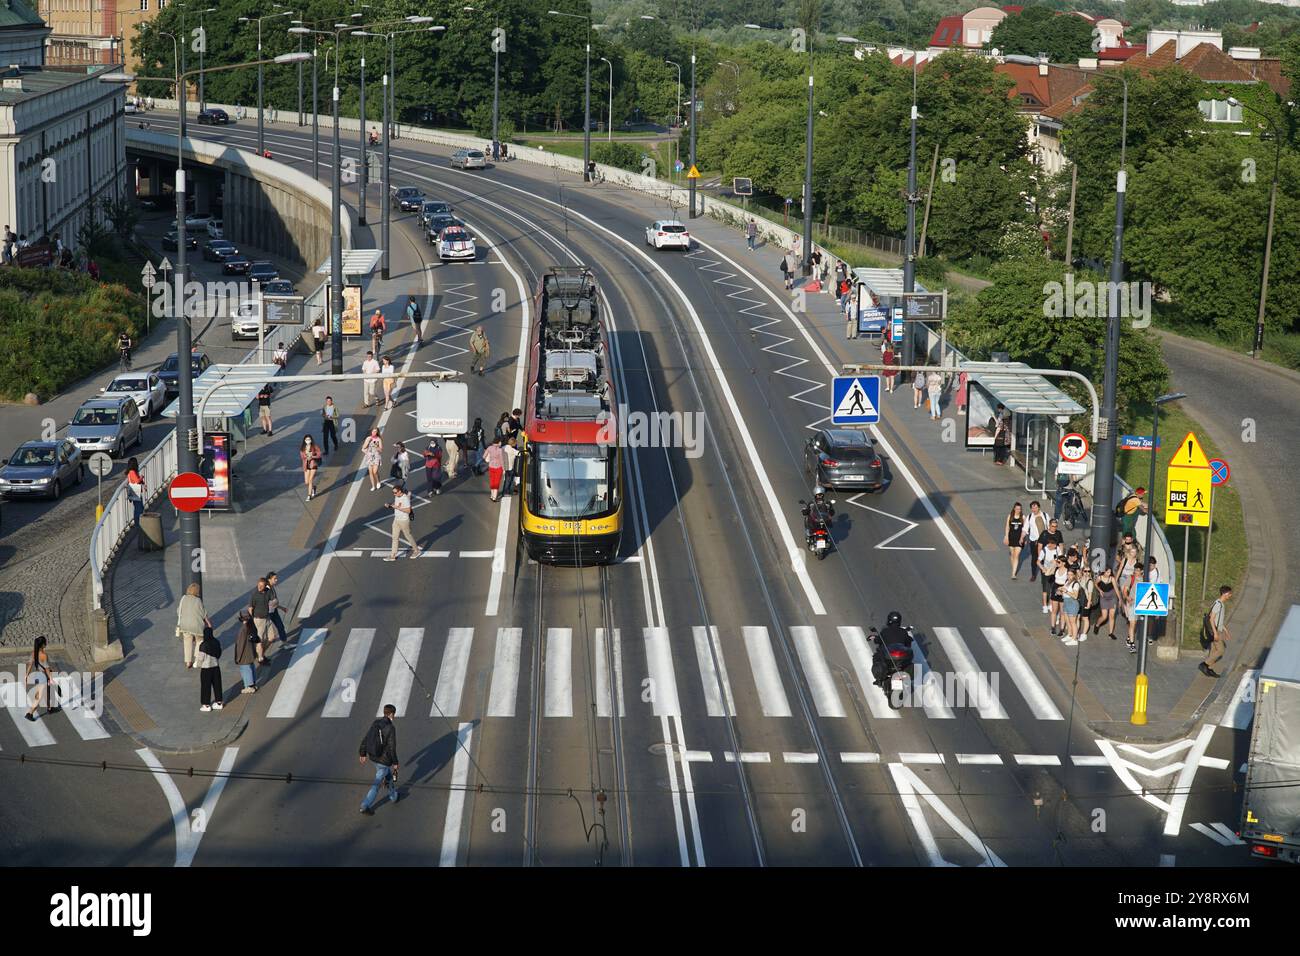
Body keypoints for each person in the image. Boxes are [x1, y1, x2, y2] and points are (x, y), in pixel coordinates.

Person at [359, 704, 401, 815]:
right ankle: (365, 805)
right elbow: (392, 748)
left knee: (388, 776)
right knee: (376, 784)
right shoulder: (391, 728)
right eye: (394, 714)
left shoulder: (376, 723)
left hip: (373, 757)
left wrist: (362, 753)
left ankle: (393, 796)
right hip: (384, 761)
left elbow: (367, 738)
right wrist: (395, 762)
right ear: (391, 714)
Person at [176, 582, 211, 670]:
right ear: (197, 591)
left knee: (187, 642)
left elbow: (178, 611)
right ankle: (196, 659)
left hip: (185, 625)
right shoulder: (198, 600)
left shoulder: (183, 598)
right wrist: (209, 624)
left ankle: (188, 662)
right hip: (196, 625)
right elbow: (203, 613)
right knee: (199, 640)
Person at [1200, 585, 1233, 679]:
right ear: (1225, 593)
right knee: (1221, 650)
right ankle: (1204, 665)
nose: (1230, 595)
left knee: (1214, 651)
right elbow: (1211, 619)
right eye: (1229, 594)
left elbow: (1219, 620)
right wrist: (1215, 633)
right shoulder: (1218, 604)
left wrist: (1226, 631)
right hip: (1216, 631)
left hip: (1218, 630)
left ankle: (1209, 669)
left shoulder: (1220, 604)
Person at [384, 482, 422, 561]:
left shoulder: (405, 498)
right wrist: (390, 506)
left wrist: (398, 508)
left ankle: (417, 551)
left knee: (408, 536)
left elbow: (408, 510)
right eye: (393, 492)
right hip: (396, 520)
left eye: (395, 492)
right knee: (395, 537)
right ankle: (393, 555)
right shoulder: (397, 497)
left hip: (404, 521)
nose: (394, 494)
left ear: (400, 492)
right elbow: (397, 505)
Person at [23, 636, 56, 722]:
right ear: (42, 645)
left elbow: (30, 665)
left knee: (44, 692)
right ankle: (29, 713)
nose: (46, 644)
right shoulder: (44, 655)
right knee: (39, 697)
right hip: (43, 676)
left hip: (37, 675)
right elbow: (47, 668)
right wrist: (51, 678)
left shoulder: (34, 653)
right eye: (45, 642)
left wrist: (26, 675)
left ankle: (49, 708)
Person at [195, 623, 223, 712]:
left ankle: (206, 704)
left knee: (205, 686)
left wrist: (198, 665)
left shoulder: (203, 645)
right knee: (217, 685)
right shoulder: (216, 642)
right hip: (215, 666)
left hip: (206, 668)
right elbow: (219, 653)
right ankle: (219, 702)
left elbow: (201, 658)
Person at [234, 610, 258, 694]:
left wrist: (238, 657)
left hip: (245, 652)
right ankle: (253, 683)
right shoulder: (251, 626)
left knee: (245, 668)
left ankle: (249, 686)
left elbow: (240, 644)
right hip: (251, 650)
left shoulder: (243, 629)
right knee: (251, 666)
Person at [266, 570, 292, 648]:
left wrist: (281, 608)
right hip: (269, 613)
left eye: (276, 578)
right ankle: (261, 653)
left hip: (274, 610)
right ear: (269, 579)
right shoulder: (267, 589)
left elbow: (273, 602)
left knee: (280, 627)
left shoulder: (271, 587)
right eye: (275, 578)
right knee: (271, 635)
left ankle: (284, 642)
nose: (276, 580)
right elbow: (266, 601)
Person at [1095, 565, 1118, 639]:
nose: (1109, 573)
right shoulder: (1100, 578)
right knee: (1104, 616)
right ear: (1104, 572)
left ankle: (1111, 633)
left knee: (1112, 616)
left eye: (1110, 572)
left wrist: (1120, 599)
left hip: (1112, 597)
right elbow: (1095, 584)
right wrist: (1100, 590)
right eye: (1108, 572)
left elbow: (1116, 589)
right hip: (1104, 597)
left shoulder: (1112, 578)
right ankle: (1097, 625)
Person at [1060, 569, 1081, 646]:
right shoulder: (1067, 582)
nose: (1069, 576)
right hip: (1066, 602)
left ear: (1074, 575)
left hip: (1072, 603)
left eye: (1071, 574)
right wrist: (1060, 591)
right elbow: (1064, 592)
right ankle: (1069, 635)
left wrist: (1066, 591)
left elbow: (1075, 596)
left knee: (1073, 622)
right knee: (1067, 621)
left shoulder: (1075, 584)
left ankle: (1074, 639)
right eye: (1068, 574)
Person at [1004, 502, 1025, 579]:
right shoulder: (1010, 516)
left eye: (1019, 509)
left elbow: (1025, 529)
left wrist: (1023, 538)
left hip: (1019, 539)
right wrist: (1006, 537)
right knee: (1012, 554)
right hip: (1011, 538)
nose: (1018, 510)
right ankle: (1014, 568)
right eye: (1017, 509)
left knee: (1016, 555)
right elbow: (1007, 527)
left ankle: (1013, 574)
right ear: (1014, 509)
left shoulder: (1023, 517)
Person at [300, 434, 322, 502]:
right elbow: (302, 457)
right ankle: (313, 487)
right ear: (304, 440)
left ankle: (309, 495)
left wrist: (312, 456)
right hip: (306, 465)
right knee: (306, 482)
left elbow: (319, 455)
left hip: (313, 465)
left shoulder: (314, 447)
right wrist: (306, 456)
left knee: (310, 480)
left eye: (309, 439)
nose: (308, 441)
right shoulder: (303, 448)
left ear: (311, 440)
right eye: (306, 439)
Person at [125, 456, 146, 525]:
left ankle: (138, 522)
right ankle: (138, 523)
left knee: (138, 507)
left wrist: (143, 483)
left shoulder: (131, 472)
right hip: (136, 492)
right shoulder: (132, 472)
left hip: (135, 492)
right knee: (138, 508)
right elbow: (137, 481)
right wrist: (142, 477)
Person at [484, 437, 507, 501]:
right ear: (499, 442)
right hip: (498, 467)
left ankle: (492, 495)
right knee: (497, 482)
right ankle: (494, 497)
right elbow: (502, 460)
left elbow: (484, 456)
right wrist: (504, 469)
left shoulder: (489, 448)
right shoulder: (500, 450)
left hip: (491, 467)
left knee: (492, 481)